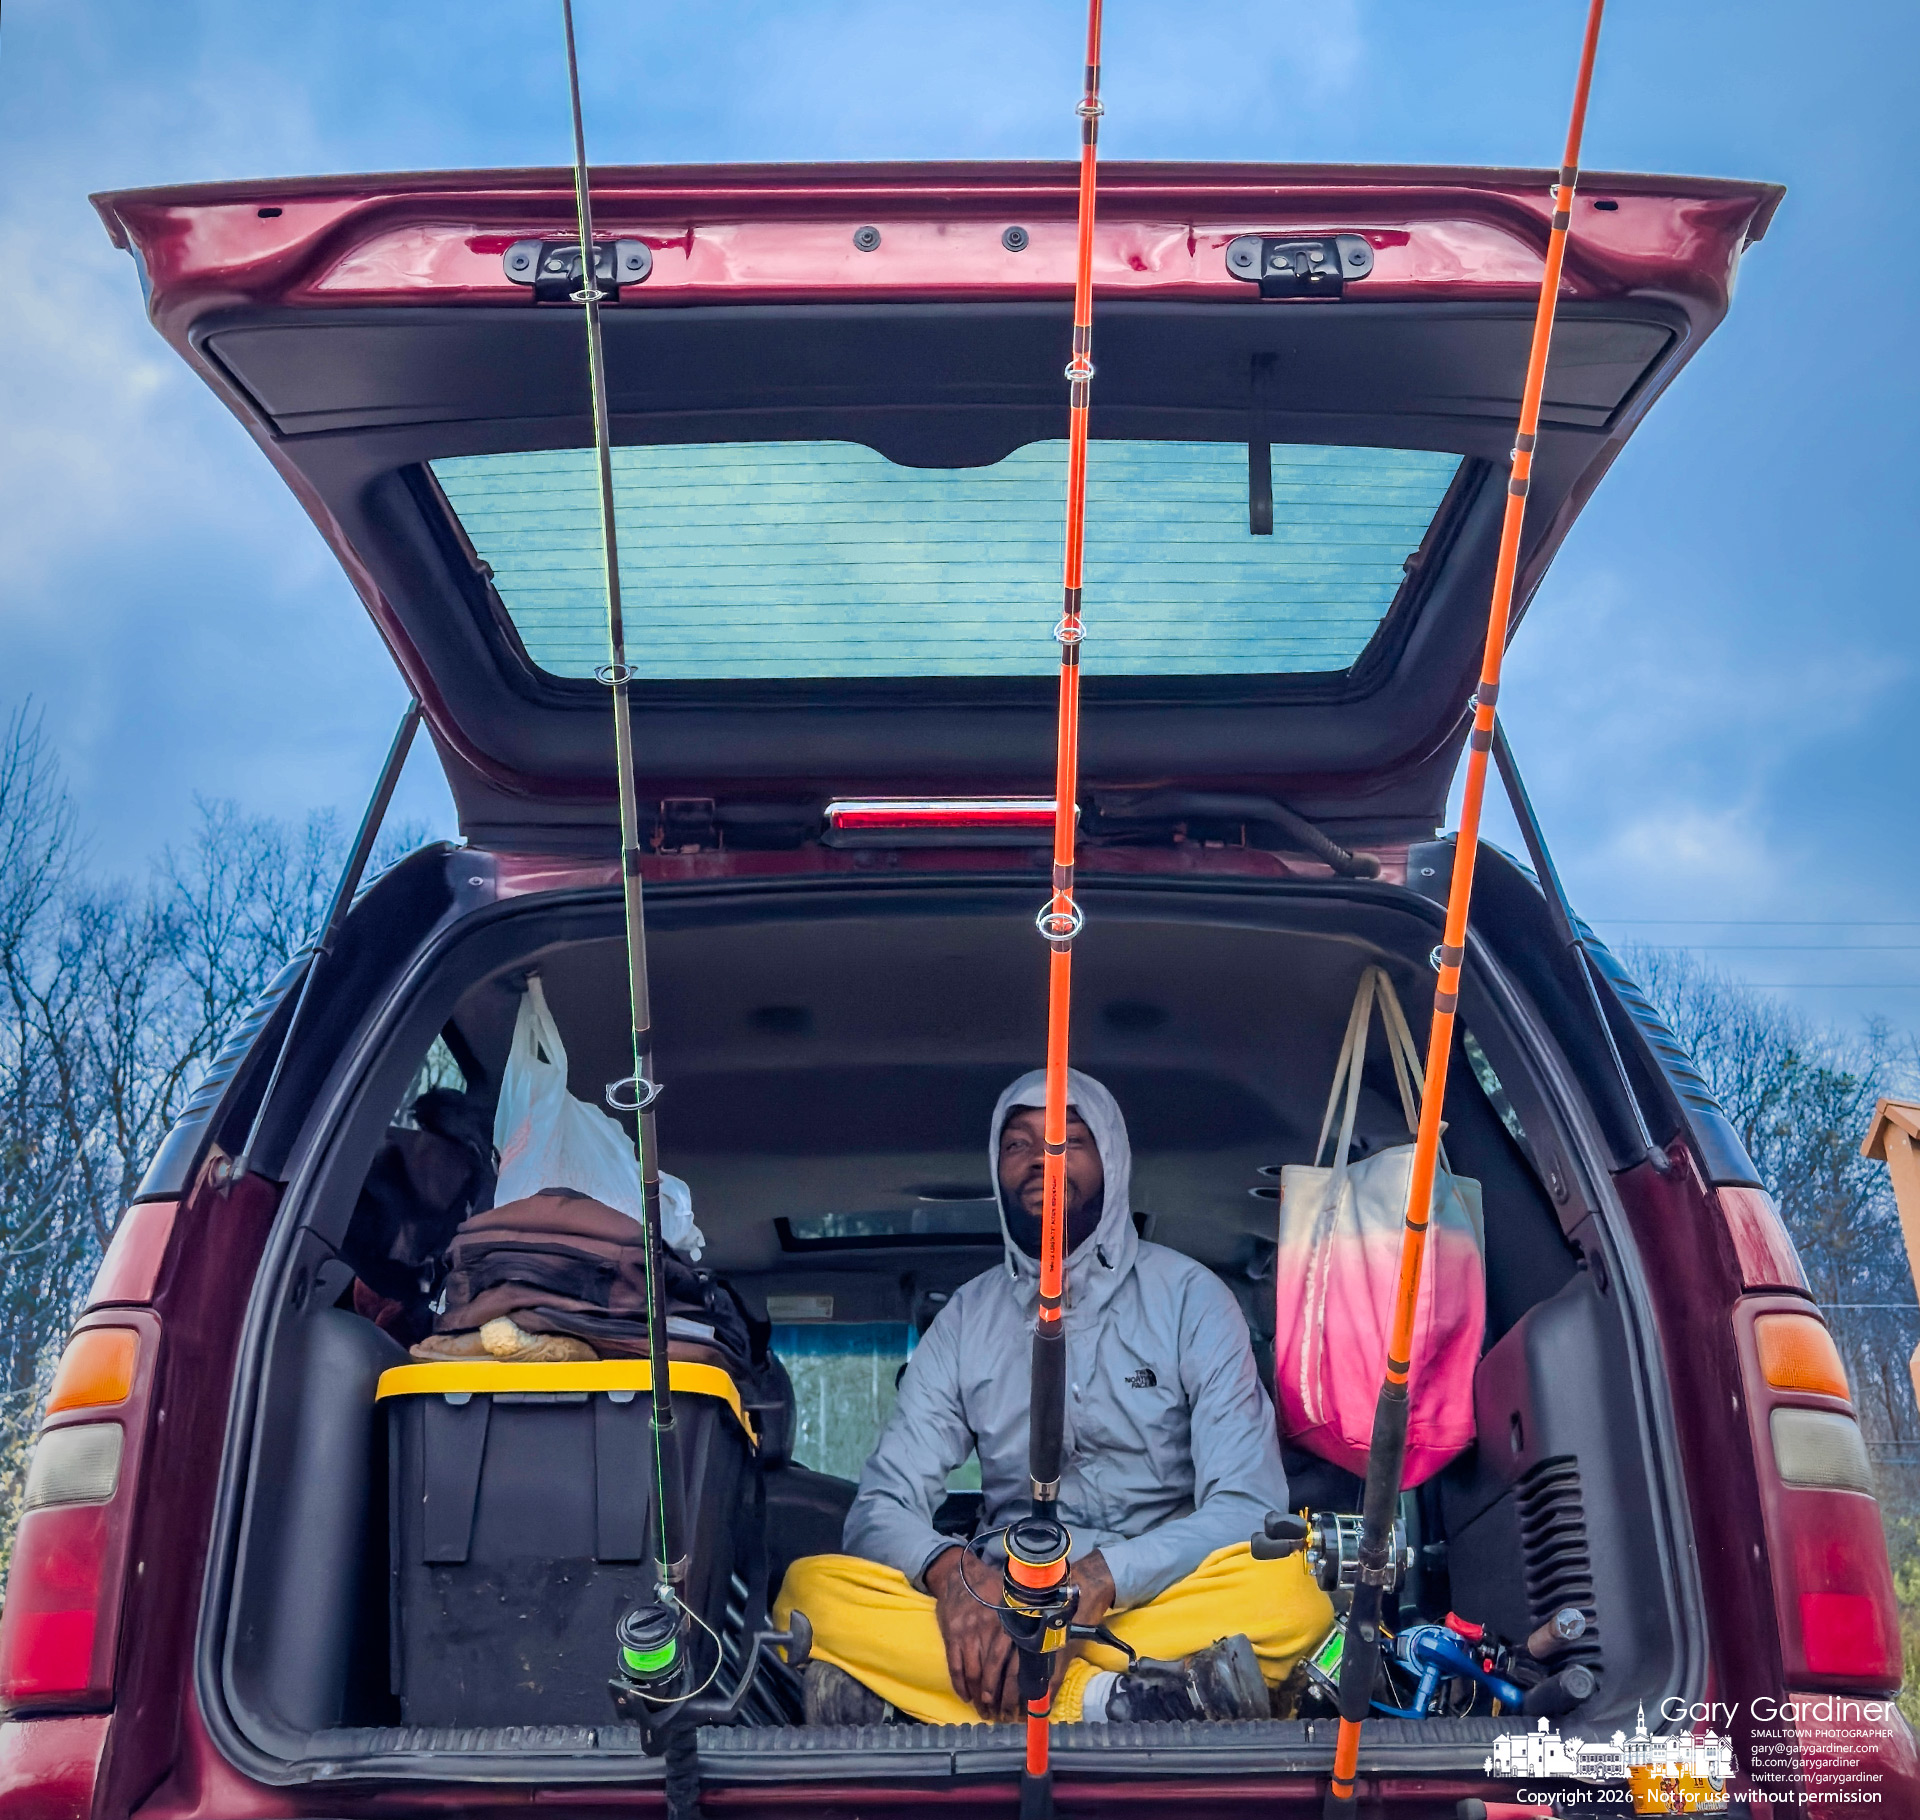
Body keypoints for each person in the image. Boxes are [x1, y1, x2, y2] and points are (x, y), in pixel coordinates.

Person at [774, 1068, 1333, 1726]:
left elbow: (1246, 1508)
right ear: (995, 1166)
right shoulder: (965, 1319)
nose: (1042, 1161)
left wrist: (1104, 1577)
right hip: (1004, 1611)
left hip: (1158, 1597)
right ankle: (1121, 1703)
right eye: (1018, 1145)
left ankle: (952, 1699)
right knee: (808, 1593)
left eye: (1069, 1139)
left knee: (1294, 1590)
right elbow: (881, 1509)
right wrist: (953, 1574)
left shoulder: (1193, 1299)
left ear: (1114, 1160)